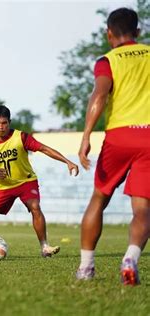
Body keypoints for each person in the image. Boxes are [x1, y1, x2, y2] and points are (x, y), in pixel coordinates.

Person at [75, 8, 149, 285]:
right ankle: (130, 256)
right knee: (143, 209)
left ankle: (86, 268)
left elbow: (99, 94)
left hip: (120, 136)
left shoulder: (107, 60)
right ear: (138, 32)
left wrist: (86, 136)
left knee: (98, 199)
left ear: (109, 34)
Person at [0, 105, 79, 258]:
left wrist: (67, 161)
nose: (1, 127)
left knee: (35, 207)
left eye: (4, 123)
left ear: (9, 122)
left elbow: (43, 148)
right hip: (3, 187)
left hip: (26, 182)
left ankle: (45, 247)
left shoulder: (21, 137)